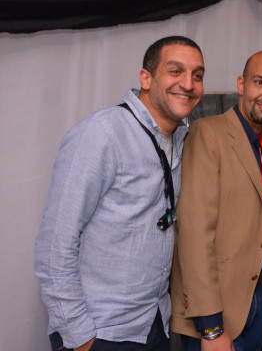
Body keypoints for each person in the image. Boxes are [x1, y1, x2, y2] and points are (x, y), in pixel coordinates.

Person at [34, 36, 205, 351]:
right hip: (102, 332)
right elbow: (54, 245)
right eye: (175, 71)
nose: (188, 83)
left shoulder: (180, 140)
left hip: (154, 325)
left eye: (197, 75)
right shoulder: (102, 133)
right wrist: (79, 336)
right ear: (146, 78)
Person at [170, 50, 262, 351]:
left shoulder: (261, 146)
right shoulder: (207, 133)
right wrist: (211, 327)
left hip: (254, 304)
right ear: (241, 84)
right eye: (260, 82)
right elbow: (194, 235)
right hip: (215, 314)